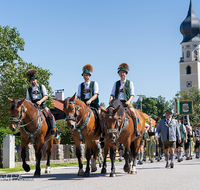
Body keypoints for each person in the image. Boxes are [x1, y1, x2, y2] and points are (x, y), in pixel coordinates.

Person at [109, 63, 141, 137]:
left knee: (133, 112)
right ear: (119, 74)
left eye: (123, 72)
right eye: (120, 72)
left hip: (126, 102)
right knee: (108, 113)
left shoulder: (130, 83)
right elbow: (112, 94)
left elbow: (132, 94)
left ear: (126, 74)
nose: (122, 74)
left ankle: (136, 130)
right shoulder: (116, 83)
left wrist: (129, 101)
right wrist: (110, 100)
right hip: (116, 103)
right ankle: (106, 132)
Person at [77, 64, 104, 137]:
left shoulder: (94, 83)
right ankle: (76, 133)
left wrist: (90, 100)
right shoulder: (80, 85)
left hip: (93, 103)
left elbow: (96, 95)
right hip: (83, 104)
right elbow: (78, 96)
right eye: (84, 75)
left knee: (100, 114)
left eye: (87, 75)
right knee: (76, 114)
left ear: (89, 76)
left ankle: (102, 132)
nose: (85, 76)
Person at [26, 69, 55, 135]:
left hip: (42, 104)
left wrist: (40, 101)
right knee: (24, 114)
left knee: (49, 113)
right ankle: (22, 131)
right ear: (30, 82)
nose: (33, 81)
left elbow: (46, 96)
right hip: (32, 105)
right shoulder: (29, 89)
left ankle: (52, 129)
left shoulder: (41, 86)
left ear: (36, 80)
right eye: (31, 80)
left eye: (34, 80)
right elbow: (27, 99)